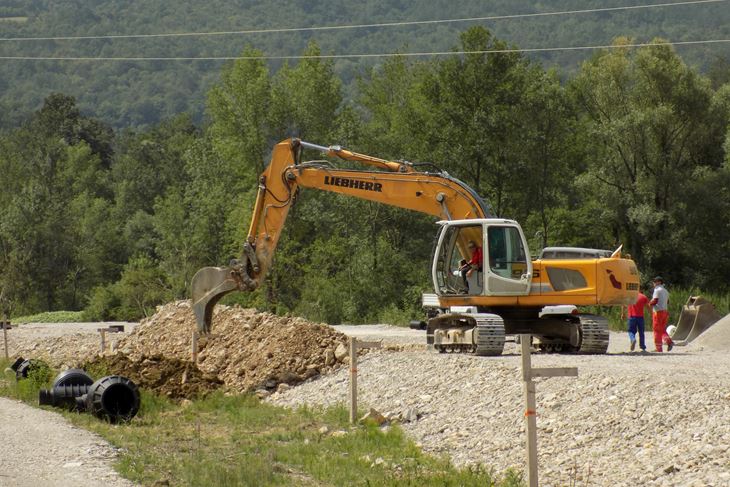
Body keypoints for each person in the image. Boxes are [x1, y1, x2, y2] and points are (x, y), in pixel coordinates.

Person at [649, 276, 673, 352]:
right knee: (662, 329)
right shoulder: (666, 291)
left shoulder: (657, 290)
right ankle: (669, 341)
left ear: (659, 282)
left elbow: (655, 300)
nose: (654, 283)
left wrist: (649, 303)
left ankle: (658, 348)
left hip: (658, 312)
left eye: (654, 281)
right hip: (665, 311)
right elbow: (668, 302)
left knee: (656, 330)